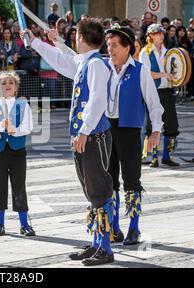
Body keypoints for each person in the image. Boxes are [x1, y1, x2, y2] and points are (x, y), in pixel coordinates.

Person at [24, 18, 115, 266]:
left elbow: (97, 101)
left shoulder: (96, 65)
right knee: (90, 191)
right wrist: (37, 42)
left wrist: (84, 131)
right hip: (84, 137)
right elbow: (63, 60)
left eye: (76, 34)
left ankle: (105, 248)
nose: (74, 38)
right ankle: (97, 243)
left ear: (82, 38)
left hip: (93, 136)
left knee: (99, 190)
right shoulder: (86, 62)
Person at [104, 24, 163, 246]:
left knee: (131, 180)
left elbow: (154, 103)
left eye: (115, 45)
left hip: (129, 130)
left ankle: (134, 227)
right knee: (108, 180)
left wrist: (155, 130)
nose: (110, 49)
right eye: (108, 45)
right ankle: (113, 226)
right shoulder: (102, 68)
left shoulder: (140, 70)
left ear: (127, 47)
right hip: (106, 129)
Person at [0, 70, 35, 237]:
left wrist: (14, 130)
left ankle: (24, 223)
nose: (7, 85)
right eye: (4, 83)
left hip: (17, 151)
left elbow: (28, 127)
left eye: (11, 83)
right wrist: (0, 125)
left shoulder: (23, 105)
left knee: (19, 186)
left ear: (16, 88)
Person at [139, 24, 180, 167]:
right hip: (153, 91)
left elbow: (175, 70)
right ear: (150, 36)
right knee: (152, 125)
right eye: (157, 33)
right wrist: (165, 74)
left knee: (172, 124)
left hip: (167, 91)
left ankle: (168, 156)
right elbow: (147, 74)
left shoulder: (169, 52)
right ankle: (154, 157)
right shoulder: (145, 52)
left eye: (162, 33)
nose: (161, 35)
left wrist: (176, 77)